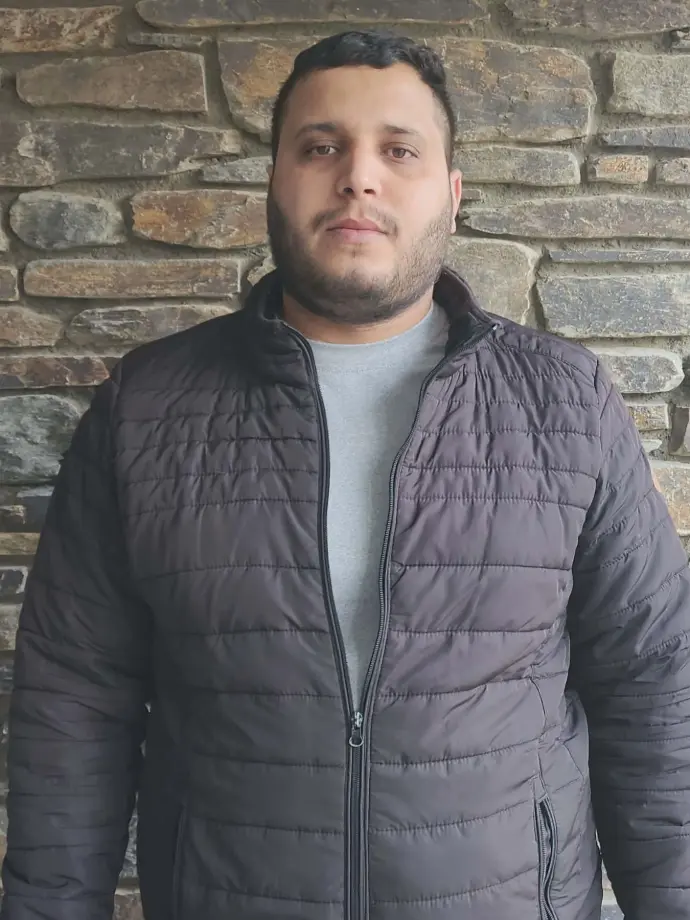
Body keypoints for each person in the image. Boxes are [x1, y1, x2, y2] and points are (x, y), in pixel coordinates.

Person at [2, 28, 690, 920]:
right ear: (275, 182)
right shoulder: (147, 408)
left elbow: (654, 685)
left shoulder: (565, 402)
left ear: (451, 194)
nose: (358, 176)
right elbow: (73, 705)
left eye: (398, 150)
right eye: (320, 147)